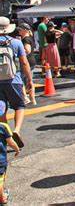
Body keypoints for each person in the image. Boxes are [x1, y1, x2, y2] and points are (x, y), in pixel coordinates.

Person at [0, 17, 33, 149]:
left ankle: (5, 132)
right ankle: (16, 130)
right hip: (14, 80)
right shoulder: (15, 42)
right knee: (19, 106)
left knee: (1, 108)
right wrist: (29, 79)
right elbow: (24, 62)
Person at [0, 100, 21, 204]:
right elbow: (11, 142)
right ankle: (2, 197)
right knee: (1, 178)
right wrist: (17, 149)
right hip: (1, 159)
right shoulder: (3, 127)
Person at [17, 23, 37, 105]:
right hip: (32, 61)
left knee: (20, 80)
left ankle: (25, 98)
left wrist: (18, 52)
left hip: (27, 62)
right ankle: (33, 100)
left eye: (20, 29)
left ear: (25, 30)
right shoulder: (29, 38)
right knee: (29, 80)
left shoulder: (25, 39)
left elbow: (27, 51)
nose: (19, 31)